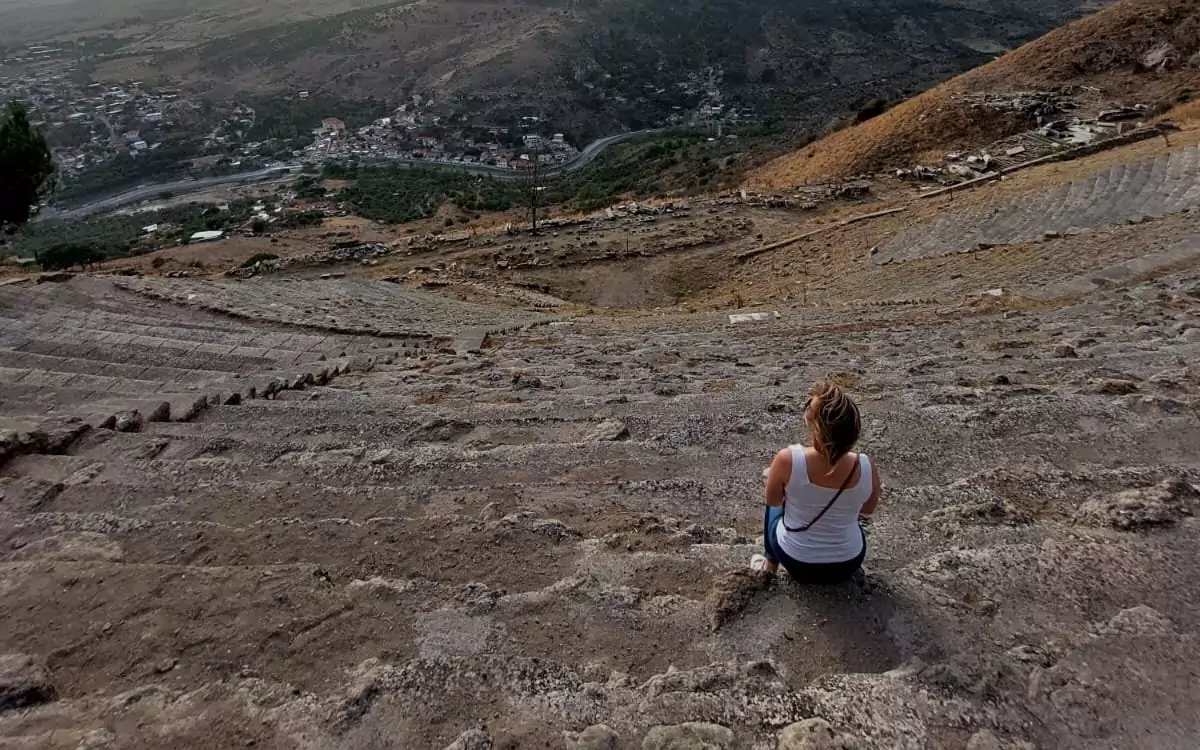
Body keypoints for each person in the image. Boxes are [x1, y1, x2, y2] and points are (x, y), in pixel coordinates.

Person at [751, 380, 881, 583]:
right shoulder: (866, 466)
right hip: (848, 562)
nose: (805, 406)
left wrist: (780, 481)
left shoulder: (788, 459)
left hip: (796, 560)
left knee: (774, 507)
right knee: (847, 507)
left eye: (808, 406)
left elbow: (773, 499)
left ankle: (769, 567)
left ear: (817, 427)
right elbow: (868, 509)